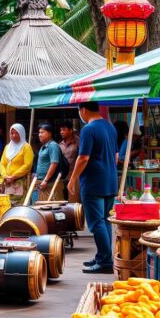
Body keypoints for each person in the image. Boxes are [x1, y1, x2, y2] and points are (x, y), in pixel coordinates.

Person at [68, 101, 118, 274]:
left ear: (83, 110)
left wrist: (72, 179)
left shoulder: (88, 129)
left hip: (93, 182)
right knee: (104, 221)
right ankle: (103, 256)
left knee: (97, 222)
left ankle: (105, 261)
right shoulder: (110, 127)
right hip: (110, 180)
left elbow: (83, 158)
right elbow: (116, 156)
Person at [0, 123, 34, 205]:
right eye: (12, 133)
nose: (13, 135)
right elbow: (2, 163)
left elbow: (27, 165)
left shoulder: (26, 147)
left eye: (16, 133)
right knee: (8, 204)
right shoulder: (7, 147)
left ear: (21, 134)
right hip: (7, 182)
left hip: (20, 181)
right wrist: (5, 176)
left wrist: (13, 176)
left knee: (19, 205)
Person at [35, 123, 62, 201]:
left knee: (52, 207)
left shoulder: (53, 146)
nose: (39, 135)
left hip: (50, 182)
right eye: (39, 132)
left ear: (50, 133)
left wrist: (46, 180)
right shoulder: (43, 147)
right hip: (42, 182)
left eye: (42, 132)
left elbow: (54, 164)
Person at [59, 122, 80, 202]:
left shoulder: (78, 143)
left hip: (74, 176)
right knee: (62, 202)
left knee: (74, 201)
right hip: (62, 177)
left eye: (64, 130)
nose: (61, 132)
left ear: (71, 130)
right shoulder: (60, 145)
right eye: (60, 130)